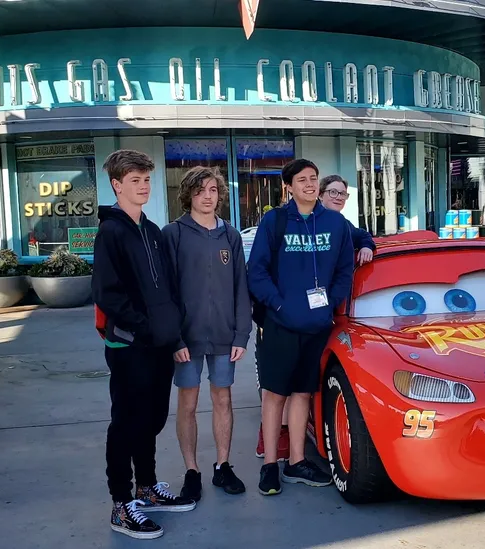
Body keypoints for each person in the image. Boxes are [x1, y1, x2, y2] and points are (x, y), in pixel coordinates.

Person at [92, 149, 195, 540]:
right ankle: (121, 503)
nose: (143, 187)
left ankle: (146, 487)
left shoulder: (151, 231)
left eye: (147, 180)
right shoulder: (111, 233)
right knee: (126, 423)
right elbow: (108, 294)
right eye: (135, 181)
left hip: (159, 344)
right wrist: (147, 328)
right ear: (117, 185)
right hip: (129, 345)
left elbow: (168, 288)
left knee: (151, 420)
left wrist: (172, 332)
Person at [248, 158, 354, 495]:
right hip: (279, 323)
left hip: (316, 325)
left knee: (303, 393)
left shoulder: (336, 224)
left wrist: (329, 303)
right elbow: (257, 272)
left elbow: (344, 270)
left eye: (313, 178)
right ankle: (269, 466)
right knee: (274, 393)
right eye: (302, 180)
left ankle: (296, 462)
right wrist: (279, 304)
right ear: (289, 187)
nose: (309, 184)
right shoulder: (274, 221)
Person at [161, 166, 249, 501]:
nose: (207, 196)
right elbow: (166, 291)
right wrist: (175, 338)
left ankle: (222, 466)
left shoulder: (231, 235)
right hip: (187, 339)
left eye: (213, 190)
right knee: (188, 402)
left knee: (223, 399)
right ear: (189, 195)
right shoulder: (174, 234)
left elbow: (242, 286)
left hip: (225, 336)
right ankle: (192, 471)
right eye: (200, 191)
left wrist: (241, 335)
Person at [320, 174, 376, 265]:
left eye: (342, 194)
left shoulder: (343, 223)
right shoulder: (309, 221)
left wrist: (366, 247)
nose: (339, 197)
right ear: (320, 195)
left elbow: (362, 235)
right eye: (333, 192)